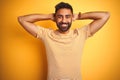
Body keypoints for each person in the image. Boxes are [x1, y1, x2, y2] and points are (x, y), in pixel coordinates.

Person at [18, 2, 110, 80]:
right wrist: (48, 16)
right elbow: (22, 19)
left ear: (72, 18)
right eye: (60, 17)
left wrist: (80, 16)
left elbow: (105, 15)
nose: (64, 20)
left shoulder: (81, 33)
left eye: (67, 16)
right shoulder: (46, 34)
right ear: (55, 18)